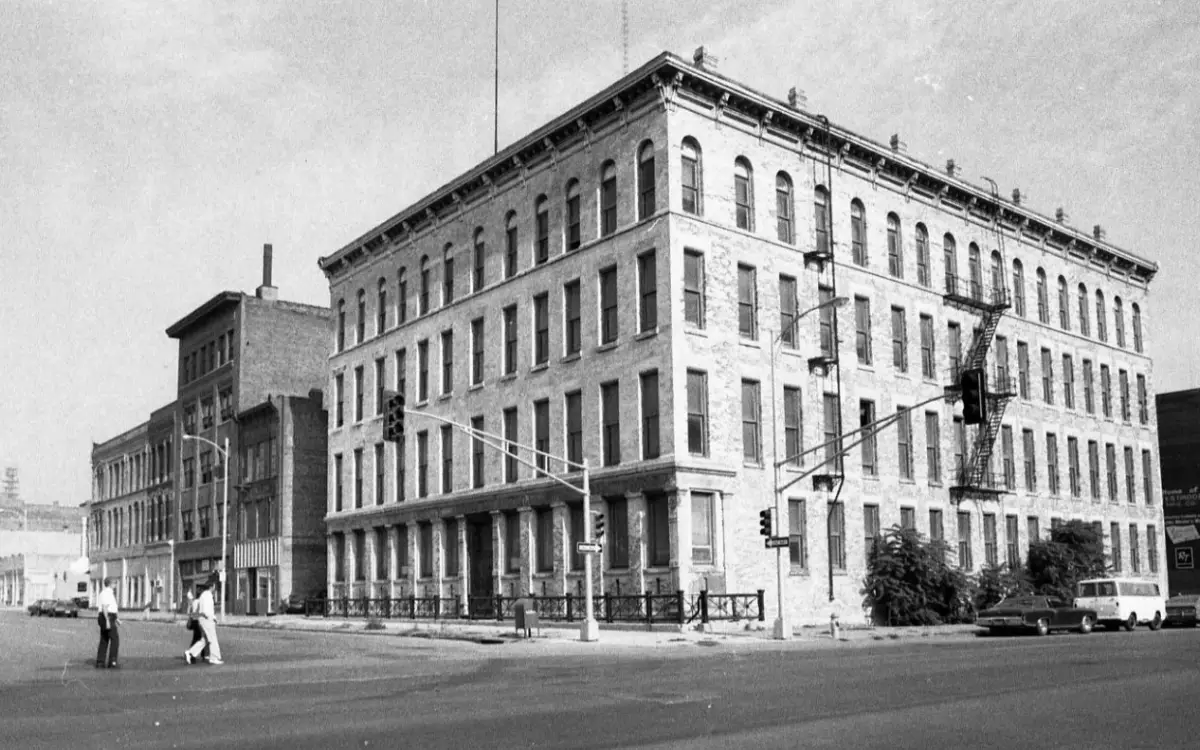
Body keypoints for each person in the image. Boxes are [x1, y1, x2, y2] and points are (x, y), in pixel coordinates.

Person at [184, 578, 223, 665]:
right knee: (213, 638)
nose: (215, 588)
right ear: (211, 586)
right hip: (207, 620)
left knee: (205, 640)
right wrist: (212, 618)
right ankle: (214, 657)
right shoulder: (208, 596)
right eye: (214, 586)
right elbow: (206, 610)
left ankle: (190, 653)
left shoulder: (203, 595)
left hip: (203, 620)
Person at [95, 578, 120, 668]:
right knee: (115, 639)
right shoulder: (107, 593)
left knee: (104, 639)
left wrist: (116, 619)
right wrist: (107, 621)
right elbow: (105, 607)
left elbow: (111, 608)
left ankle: (100, 662)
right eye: (115, 583)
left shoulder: (107, 593)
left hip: (108, 617)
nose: (116, 585)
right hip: (107, 617)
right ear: (110, 584)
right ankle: (112, 661)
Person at [184, 589, 210, 662]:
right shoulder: (199, 602)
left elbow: (190, 612)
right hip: (199, 621)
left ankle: (199, 654)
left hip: (195, 621)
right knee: (203, 638)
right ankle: (193, 654)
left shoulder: (194, 602)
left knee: (197, 638)